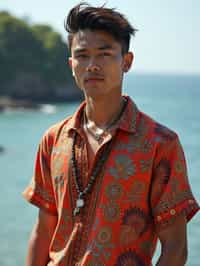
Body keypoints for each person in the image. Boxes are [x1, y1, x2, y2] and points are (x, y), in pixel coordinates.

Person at [23, 3, 199, 266]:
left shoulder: (160, 145)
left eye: (104, 54)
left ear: (126, 62)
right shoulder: (53, 139)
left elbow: (176, 248)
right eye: (82, 56)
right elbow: (43, 231)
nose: (92, 65)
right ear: (71, 65)